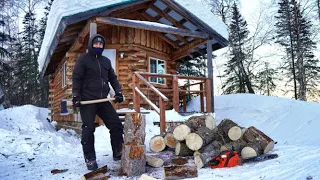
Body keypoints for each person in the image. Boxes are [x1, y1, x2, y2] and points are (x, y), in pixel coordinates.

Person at [72, 34, 124, 170]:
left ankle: (118, 152)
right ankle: (90, 158)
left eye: (101, 44)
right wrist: (76, 96)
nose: (98, 46)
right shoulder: (83, 60)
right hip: (87, 100)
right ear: (91, 44)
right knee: (88, 129)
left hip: (102, 100)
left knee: (116, 125)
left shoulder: (106, 61)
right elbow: (77, 78)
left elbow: (113, 78)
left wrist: (118, 92)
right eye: (96, 44)